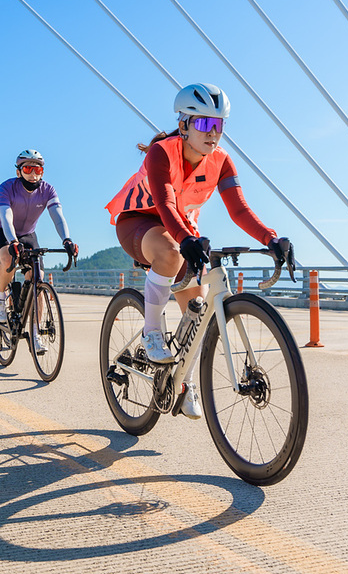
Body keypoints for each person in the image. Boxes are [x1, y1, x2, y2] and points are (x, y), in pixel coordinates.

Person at [105, 83, 295, 420]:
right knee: (170, 252)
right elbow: (164, 203)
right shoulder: (161, 152)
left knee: (199, 306)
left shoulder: (221, 161)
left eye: (219, 125)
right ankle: (151, 332)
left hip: (181, 230)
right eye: (205, 124)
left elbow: (239, 210)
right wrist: (184, 238)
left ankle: (184, 380)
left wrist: (271, 239)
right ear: (184, 126)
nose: (214, 133)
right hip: (139, 221)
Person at [0, 149, 78, 354]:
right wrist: (12, 240)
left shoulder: (48, 190)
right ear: (19, 172)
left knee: (37, 278)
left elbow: (58, 216)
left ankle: (35, 333)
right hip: (4, 231)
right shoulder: (6, 188)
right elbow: (5, 216)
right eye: (28, 169)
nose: (33, 174)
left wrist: (67, 239)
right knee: (6, 259)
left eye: (37, 169)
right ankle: (0, 298)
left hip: (28, 234)